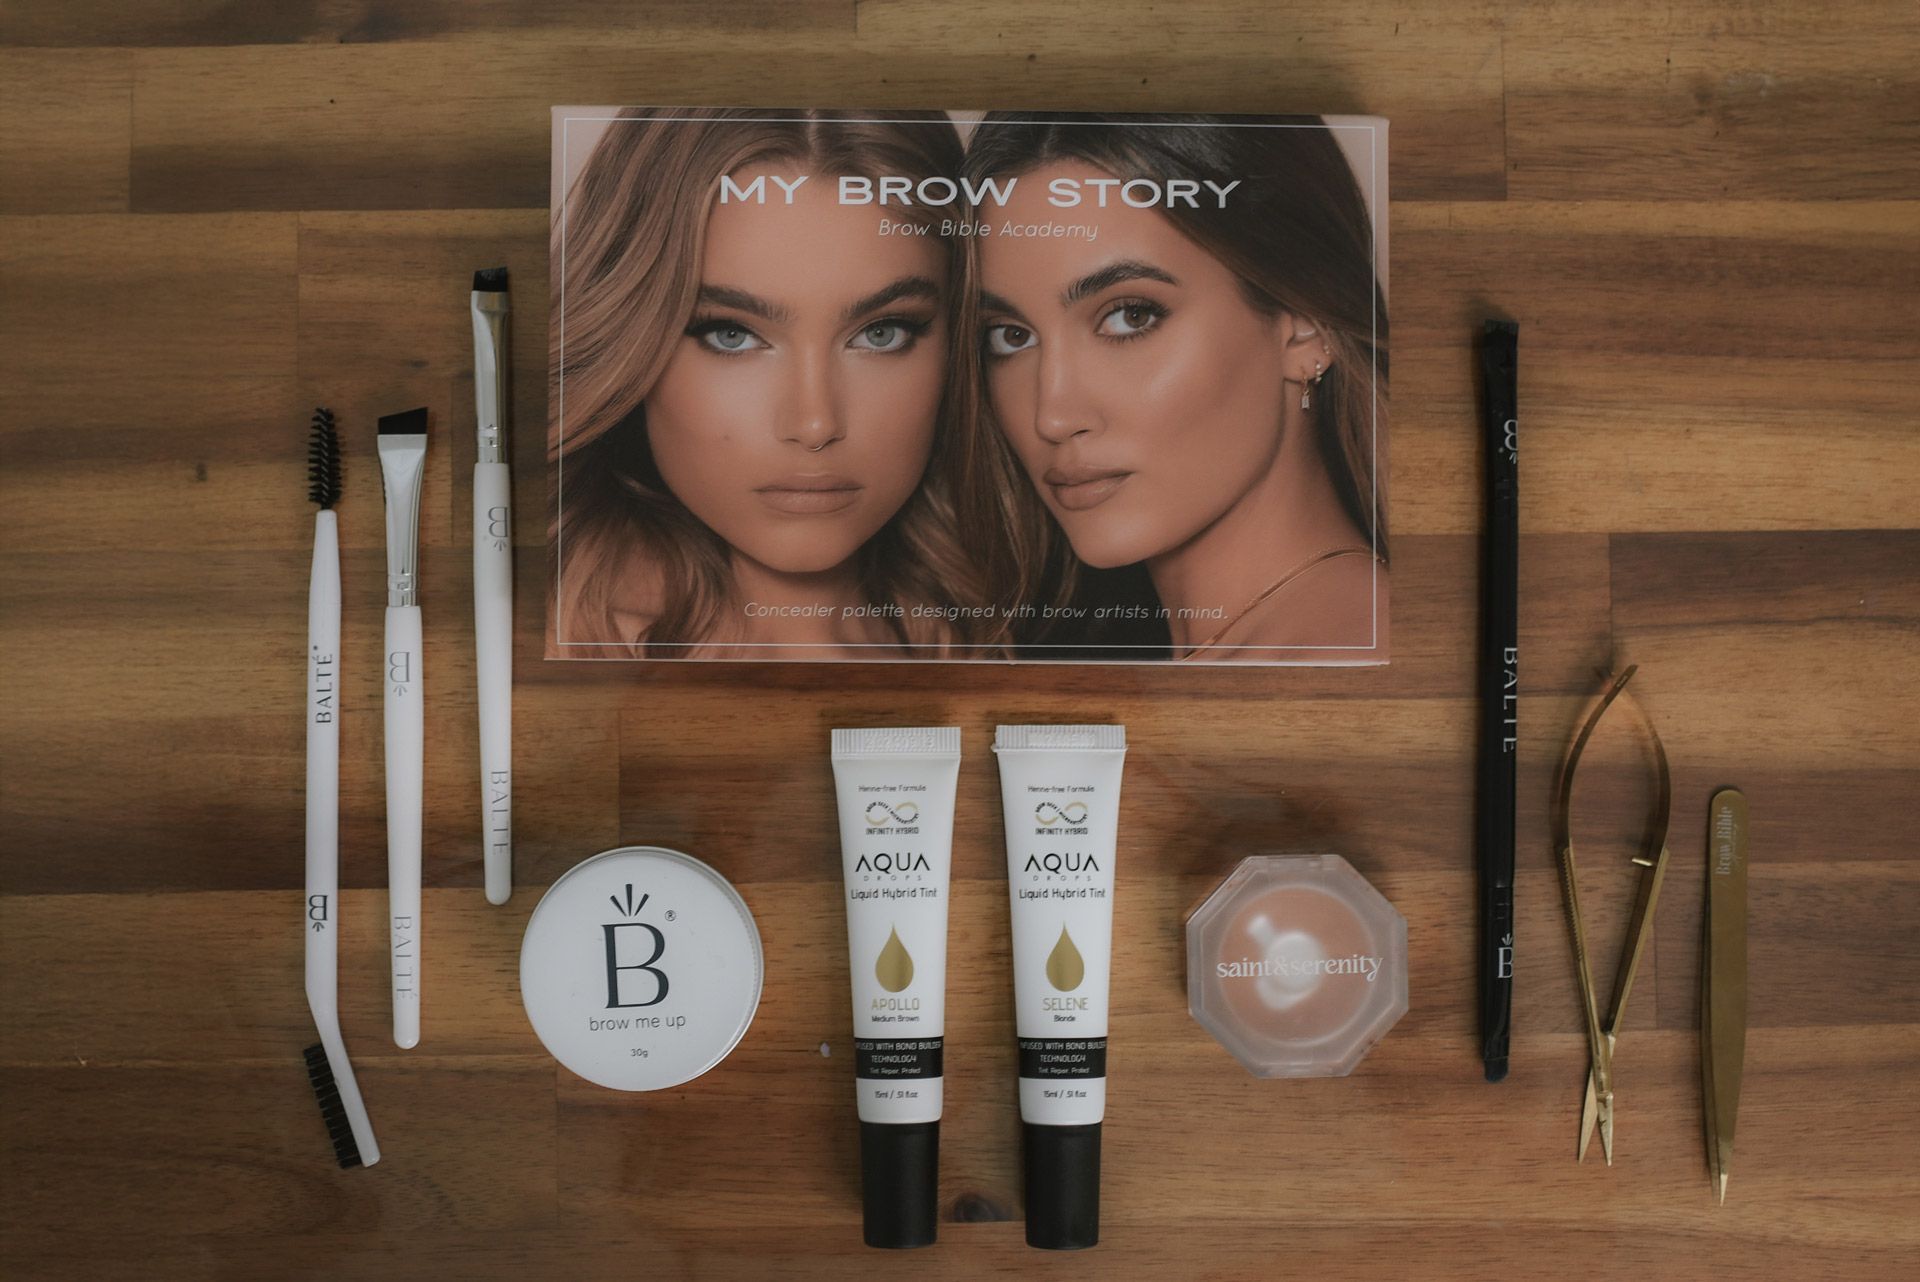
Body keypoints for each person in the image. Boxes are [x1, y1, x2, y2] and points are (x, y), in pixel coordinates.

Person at [551, 108, 998, 658]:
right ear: (628, 339)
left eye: (882, 333)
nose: (815, 424)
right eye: (731, 335)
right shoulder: (542, 651)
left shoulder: (987, 643)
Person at [965, 113, 1388, 661]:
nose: (1052, 415)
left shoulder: (1344, 657)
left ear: (1304, 327)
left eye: (1130, 317)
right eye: (1011, 336)